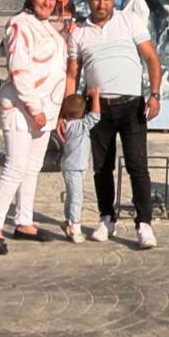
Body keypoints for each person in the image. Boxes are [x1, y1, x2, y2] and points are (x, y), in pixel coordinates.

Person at [64, 0, 162, 248]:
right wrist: (67, 111)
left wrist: (154, 94)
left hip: (132, 106)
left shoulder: (130, 21)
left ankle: (144, 224)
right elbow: (73, 73)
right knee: (101, 168)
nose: (102, 4)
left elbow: (152, 59)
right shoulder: (79, 33)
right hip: (98, 110)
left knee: (137, 166)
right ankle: (106, 217)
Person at [0, 0, 67, 254]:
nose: (47, 2)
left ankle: (24, 221)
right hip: (22, 108)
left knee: (32, 168)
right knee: (15, 167)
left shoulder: (46, 27)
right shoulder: (19, 23)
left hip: (45, 112)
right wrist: (35, 108)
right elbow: (19, 68)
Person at [59, 87, 101, 243]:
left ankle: (68, 221)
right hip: (74, 167)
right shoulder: (79, 126)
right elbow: (95, 116)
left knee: (71, 195)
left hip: (72, 166)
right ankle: (75, 227)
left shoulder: (67, 124)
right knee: (77, 197)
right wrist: (95, 96)